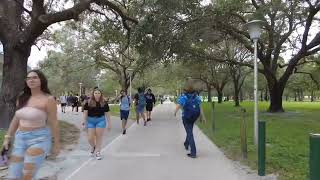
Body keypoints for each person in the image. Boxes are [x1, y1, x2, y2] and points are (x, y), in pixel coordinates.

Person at [1, 70, 60, 179]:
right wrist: (7, 137)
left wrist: (56, 143)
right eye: (28, 78)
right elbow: (16, 118)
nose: (31, 80)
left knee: (28, 173)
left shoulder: (48, 99)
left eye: (34, 77)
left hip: (39, 138)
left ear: (41, 80)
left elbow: (54, 122)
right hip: (20, 138)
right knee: (14, 174)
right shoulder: (22, 98)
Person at [82, 88, 111, 160]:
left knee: (98, 137)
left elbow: (107, 114)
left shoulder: (104, 103)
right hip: (90, 121)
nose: (97, 95)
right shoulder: (88, 102)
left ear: (101, 94)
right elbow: (85, 113)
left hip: (100, 121)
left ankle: (98, 152)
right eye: (96, 93)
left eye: (99, 93)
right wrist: (84, 123)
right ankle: (94, 146)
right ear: (93, 94)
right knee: (90, 138)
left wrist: (109, 123)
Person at [174, 84, 202, 158]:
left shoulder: (184, 97)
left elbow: (178, 105)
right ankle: (186, 143)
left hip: (186, 117)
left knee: (189, 133)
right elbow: (200, 107)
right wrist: (202, 117)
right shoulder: (197, 97)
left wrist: (175, 112)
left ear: (186, 90)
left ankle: (193, 152)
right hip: (194, 117)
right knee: (189, 131)